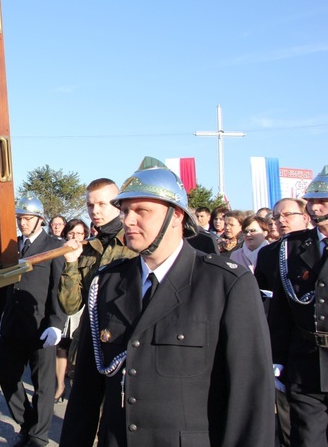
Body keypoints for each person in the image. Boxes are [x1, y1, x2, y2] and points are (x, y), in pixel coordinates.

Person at [60, 157, 274, 446]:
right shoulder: (108, 282)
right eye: (124, 211)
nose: (128, 220)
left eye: (141, 211)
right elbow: (87, 388)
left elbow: (249, 395)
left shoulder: (225, 284)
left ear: (177, 215)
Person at [0, 193, 66, 447]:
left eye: (28, 218)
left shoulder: (54, 247)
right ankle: (28, 423)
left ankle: (38, 437)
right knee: (6, 376)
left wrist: (57, 323)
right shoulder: (11, 247)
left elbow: (58, 289)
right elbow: (2, 286)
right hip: (11, 325)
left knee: (43, 385)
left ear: (39, 219)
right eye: (20, 218)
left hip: (40, 325)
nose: (23, 223)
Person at [268, 166, 328, 447]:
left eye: (323, 202)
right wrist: (277, 357)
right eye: (313, 201)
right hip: (306, 362)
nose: (317, 208)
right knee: (307, 438)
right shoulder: (291, 248)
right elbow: (281, 310)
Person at [255, 198, 312, 447]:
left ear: (305, 216)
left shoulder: (317, 248)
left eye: (287, 215)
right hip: (280, 338)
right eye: (276, 217)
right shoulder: (268, 252)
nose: (281, 221)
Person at [58, 178, 137, 318]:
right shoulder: (87, 247)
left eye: (102, 204)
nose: (95, 211)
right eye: (90, 205)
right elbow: (70, 307)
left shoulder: (134, 242)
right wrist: (71, 262)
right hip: (90, 333)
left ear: (117, 204)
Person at [55, 218, 90, 403]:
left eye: (79, 233)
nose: (75, 236)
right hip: (63, 303)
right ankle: (60, 385)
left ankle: (72, 380)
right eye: (71, 233)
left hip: (80, 308)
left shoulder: (90, 254)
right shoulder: (59, 252)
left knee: (75, 347)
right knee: (62, 346)